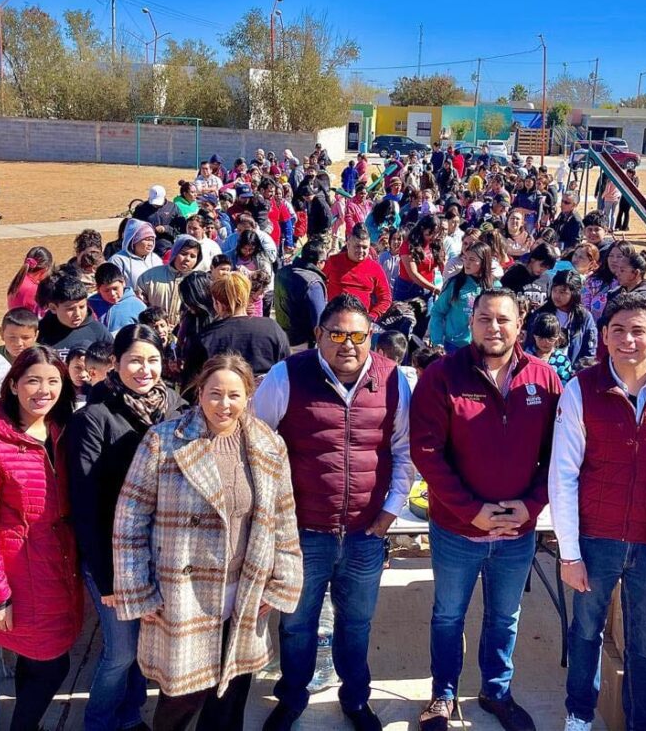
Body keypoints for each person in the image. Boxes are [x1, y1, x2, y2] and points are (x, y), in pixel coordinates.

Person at [113, 354, 303, 731]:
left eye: (235, 395)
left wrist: (281, 581)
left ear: (249, 396)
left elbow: (283, 516)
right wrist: (139, 589)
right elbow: (129, 520)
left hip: (244, 591)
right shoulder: (164, 442)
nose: (224, 405)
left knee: (230, 696)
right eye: (215, 394)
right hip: (182, 594)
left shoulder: (268, 445)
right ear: (199, 393)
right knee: (181, 700)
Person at [253, 295, 412, 731]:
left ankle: (356, 700)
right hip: (304, 532)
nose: (348, 344)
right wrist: (274, 520)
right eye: (337, 334)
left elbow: (403, 452)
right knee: (297, 623)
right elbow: (257, 446)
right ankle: (291, 698)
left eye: (358, 335)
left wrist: (389, 514)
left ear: (370, 338)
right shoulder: (286, 376)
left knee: (356, 623)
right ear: (319, 335)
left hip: (365, 533)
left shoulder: (393, 380)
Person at [551, 290, 646, 731]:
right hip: (595, 540)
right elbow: (563, 474)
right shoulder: (582, 390)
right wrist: (569, 553)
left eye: (639, 330)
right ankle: (579, 715)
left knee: (645, 646)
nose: (628, 339)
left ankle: (641, 723)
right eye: (617, 330)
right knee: (586, 633)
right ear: (604, 335)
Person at [411, 290, 562, 731]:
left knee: (504, 616)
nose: (493, 328)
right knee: (448, 614)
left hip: (517, 532)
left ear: (520, 325)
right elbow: (427, 452)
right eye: (483, 319)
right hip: (458, 530)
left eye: (503, 320)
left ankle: (496, 690)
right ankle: (442, 694)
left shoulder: (544, 379)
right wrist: (469, 510)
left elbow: (558, 455)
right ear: (471, 322)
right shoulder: (441, 377)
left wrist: (531, 506)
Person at [0, 346, 83, 731]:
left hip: (58, 562)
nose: (43, 391)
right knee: (53, 664)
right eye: (32, 381)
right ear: (12, 385)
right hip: (20, 571)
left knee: (36, 659)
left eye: (52, 381)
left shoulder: (61, 427)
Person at [66, 325, 181, 731]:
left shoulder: (176, 408)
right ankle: (99, 722)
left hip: (160, 553)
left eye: (152, 360)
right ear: (114, 363)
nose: (144, 369)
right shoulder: (95, 419)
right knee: (120, 651)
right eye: (134, 360)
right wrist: (106, 577)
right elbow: (86, 504)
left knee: (144, 647)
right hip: (112, 557)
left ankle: (129, 716)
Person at [182, 273, 290, 386]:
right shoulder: (272, 328)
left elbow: (191, 384)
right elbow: (286, 369)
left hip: (223, 398)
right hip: (269, 396)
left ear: (218, 304)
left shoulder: (205, 337)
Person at [429, 240, 497, 353]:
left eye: (472, 259)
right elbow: (437, 312)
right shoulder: (455, 284)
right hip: (453, 346)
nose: (467, 263)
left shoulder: (495, 287)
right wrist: (437, 341)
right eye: (465, 258)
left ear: (483, 262)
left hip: (483, 348)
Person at [324, 226, 393, 320]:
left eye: (364, 247)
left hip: (360, 320)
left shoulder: (375, 268)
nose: (361, 251)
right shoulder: (333, 261)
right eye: (357, 246)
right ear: (348, 245)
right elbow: (319, 282)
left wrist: (373, 316)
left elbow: (386, 298)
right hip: (333, 317)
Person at [38, 273, 114, 359]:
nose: (77, 314)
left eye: (82, 307)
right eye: (70, 309)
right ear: (53, 308)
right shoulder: (41, 331)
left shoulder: (98, 331)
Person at [137, 234, 204, 327]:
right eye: (183, 253)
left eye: (192, 256)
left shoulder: (199, 282)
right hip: (155, 332)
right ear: (174, 253)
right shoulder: (150, 277)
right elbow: (140, 308)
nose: (187, 259)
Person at [273, 237, 328, 349]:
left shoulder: (282, 272)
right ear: (319, 263)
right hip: (303, 343)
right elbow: (319, 320)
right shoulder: (313, 283)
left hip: (282, 338)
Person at [393, 215, 443, 303]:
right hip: (408, 289)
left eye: (436, 233)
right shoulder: (408, 245)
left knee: (427, 316)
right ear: (422, 229)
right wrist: (434, 289)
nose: (434, 237)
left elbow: (442, 265)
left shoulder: (435, 243)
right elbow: (413, 274)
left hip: (429, 287)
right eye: (430, 233)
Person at [90, 263, 148, 333]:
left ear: (123, 283)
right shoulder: (89, 305)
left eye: (115, 288)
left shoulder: (138, 306)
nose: (112, 294)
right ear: (98, 289)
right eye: (106, 290)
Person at [110, 219, 164, 290]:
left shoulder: (156, 259)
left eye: (152, 239)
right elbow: (112, 287)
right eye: (147, 239)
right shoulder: (118, 261)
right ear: (134, 241)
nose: (150, 244)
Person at [500, 242, 557, 307]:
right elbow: (502, 299)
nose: (543, 270)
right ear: (533, 259)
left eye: (547, 268)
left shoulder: (547, 279)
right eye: (542, 265)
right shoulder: (513, 274)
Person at [526, 312, 574, 382]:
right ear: (534, 335)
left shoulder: (563, 361)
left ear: (558, 337)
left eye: (550, 339)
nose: (545, 342)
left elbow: (565, 386)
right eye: (540, 338)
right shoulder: (525, 357)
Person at [7, 246, 54, 315]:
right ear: (45, 269)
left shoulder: (20, 278)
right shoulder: (33, 289)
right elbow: (40, 315)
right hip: (25, 323)